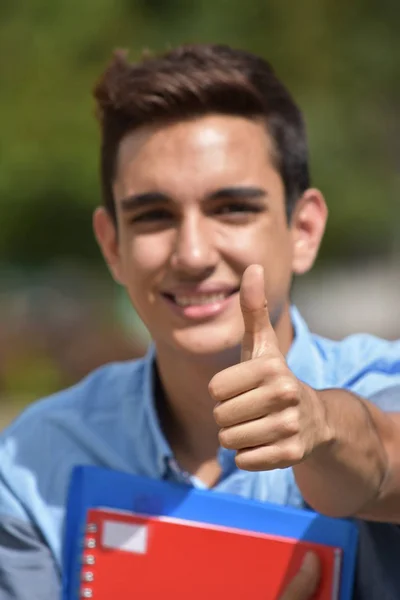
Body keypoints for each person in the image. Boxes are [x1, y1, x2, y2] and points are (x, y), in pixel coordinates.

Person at [0, 44, 399, 600]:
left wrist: (320, 425)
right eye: (154, 215)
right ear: (112, 245)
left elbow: (382, 457)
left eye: (232, 208)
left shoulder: (384, 386)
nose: (191, 254)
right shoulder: (34, 463)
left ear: (303, 230)